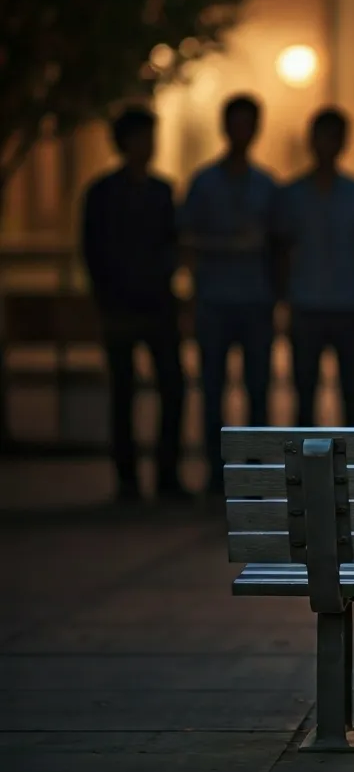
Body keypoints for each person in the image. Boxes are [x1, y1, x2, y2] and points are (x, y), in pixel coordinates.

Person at [81, 107, 189, 503]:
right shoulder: (103, 193)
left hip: (158, 304)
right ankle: (127, 478)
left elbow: (172, 243)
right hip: (121, 305)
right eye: (142, 138)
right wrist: (106, 300)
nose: (149, 146)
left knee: (172, 389)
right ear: (124, 143)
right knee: (123, 392)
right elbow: (93, 251)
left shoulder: (162, 191)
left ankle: (166, 474)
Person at [178, 94, 278, 494]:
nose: (242, 132)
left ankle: (256, 473)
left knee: (258, 390)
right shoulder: (204, 183)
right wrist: (225, 246)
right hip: (215, 301)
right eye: (236, 124)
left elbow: (278, 244)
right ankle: (217, 474)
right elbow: (185, 239)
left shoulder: (267, 185)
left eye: (249, 124)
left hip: (255, 300)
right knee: (213, 389)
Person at [272, 108, 354, 427]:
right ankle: (305, 475)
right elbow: (281, 250)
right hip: (306, 303)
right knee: (304, 397)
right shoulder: (292, 195)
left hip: (347, 303)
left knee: (352, 396)